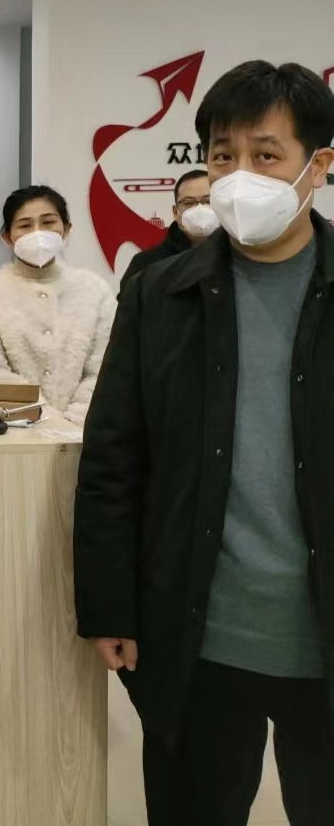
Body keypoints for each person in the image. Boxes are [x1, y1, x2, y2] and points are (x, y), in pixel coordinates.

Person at [74, 59, 334, 826]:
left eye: (265, 154)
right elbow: (113, 456)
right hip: (198, 636)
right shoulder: (160, 292)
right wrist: (108, 602)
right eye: (222, 154)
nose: (237, 174)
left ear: (318, 165)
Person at [0, 185, 115, 426]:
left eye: (48, 222)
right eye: (25, 225)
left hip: (86, 430)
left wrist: (75, 420)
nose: (38, 233)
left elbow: (105, 367)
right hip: (15, 430)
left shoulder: (94, 290)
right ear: (7, 237)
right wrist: (42, 417)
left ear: (66, 228)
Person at [118, 169, 217, 292]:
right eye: (189, 203)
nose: (199, 209)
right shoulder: (145, 265)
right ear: (175, 212)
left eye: (208, 201)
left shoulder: (237, 258)